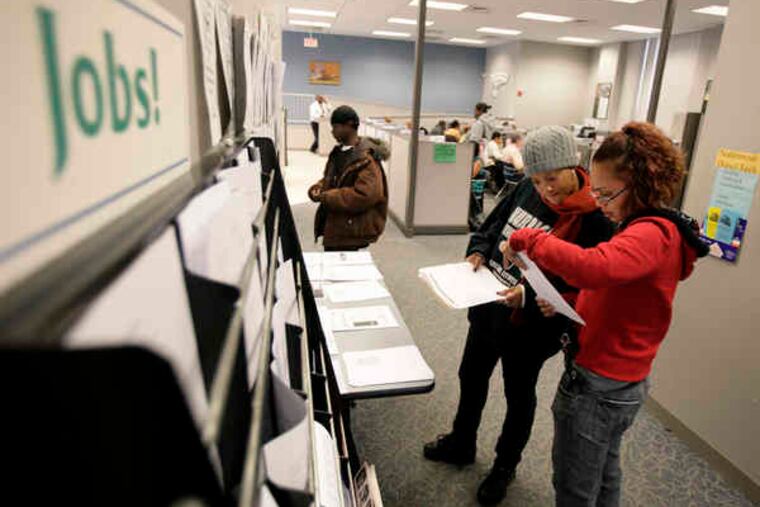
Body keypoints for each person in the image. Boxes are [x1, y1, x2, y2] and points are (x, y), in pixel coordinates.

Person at [501, 122, 709, 507]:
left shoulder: (650, 234)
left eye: (605, 192)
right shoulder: (642, 228)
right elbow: (616, 292)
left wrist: (526, 238)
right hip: (615, 378)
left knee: (575, 485)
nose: (597, 201)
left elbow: (594, 268)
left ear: (641, 184)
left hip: (600, 384)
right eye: (593, 191)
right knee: (604, 473)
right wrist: (569, 299)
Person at [424, 126, 614, 506]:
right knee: (471, 375)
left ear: (572, 166)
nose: (546, 189)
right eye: (538, 180)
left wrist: (527, 296)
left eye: (552, 179)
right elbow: (492, 226)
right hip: (487, 304)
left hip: (531, 328)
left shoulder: (595, 217)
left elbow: (588, 283)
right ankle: (462, 441)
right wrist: (478, 250)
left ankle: (504, 467)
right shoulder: (526, 187)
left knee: (518, 396)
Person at [308, 106, 389, 251]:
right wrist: (319, 187)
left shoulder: (366, 159)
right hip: (337, 226)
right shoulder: (338, 152)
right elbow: (333, 178)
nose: (332, 131)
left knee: (345, 271)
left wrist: (327, 196)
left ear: (350, 125)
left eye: (336, 127)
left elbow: (366, 194)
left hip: (352, 232)